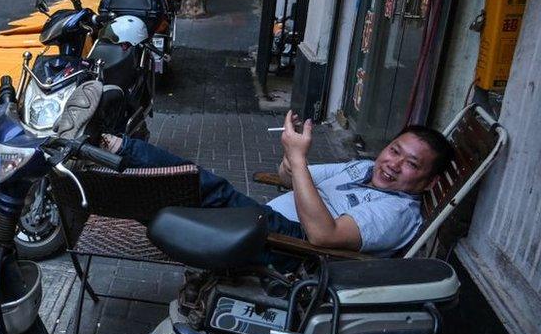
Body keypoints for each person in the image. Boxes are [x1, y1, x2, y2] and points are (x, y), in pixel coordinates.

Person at [94, 111, 455, 258]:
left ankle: (113, 150)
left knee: (206, 189)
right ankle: (112, 163)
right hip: (268, 222)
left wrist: (298, 160)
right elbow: (289, 178)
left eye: (411, 165)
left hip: (290, 248)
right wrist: (291, 154)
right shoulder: (362, 168)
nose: (393, 165)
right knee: (191, 195)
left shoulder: (397, 212)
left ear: (429, 181)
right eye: (394, 151)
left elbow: (324, 237)